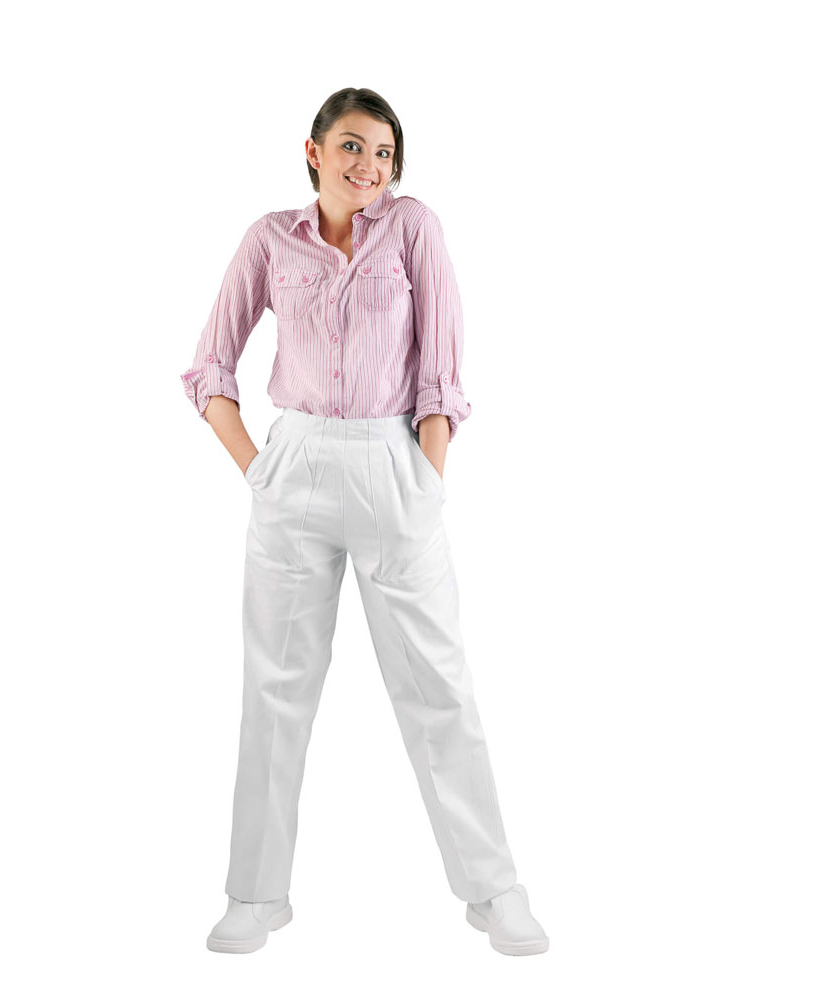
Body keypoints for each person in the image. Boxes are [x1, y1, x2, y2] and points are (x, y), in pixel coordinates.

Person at [180, 87, 549, 957]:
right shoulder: (269, 239)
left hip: (394, 461)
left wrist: (426, 479)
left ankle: (494, 889)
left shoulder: (414, 228)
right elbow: (208, 368)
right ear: (313, 151)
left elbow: (441, 370)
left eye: (383, 153)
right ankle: (256, 894)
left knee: (438, 685)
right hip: (296, 465)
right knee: (275, 688)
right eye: (351, 146)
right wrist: (259, 469)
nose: (369, 167)